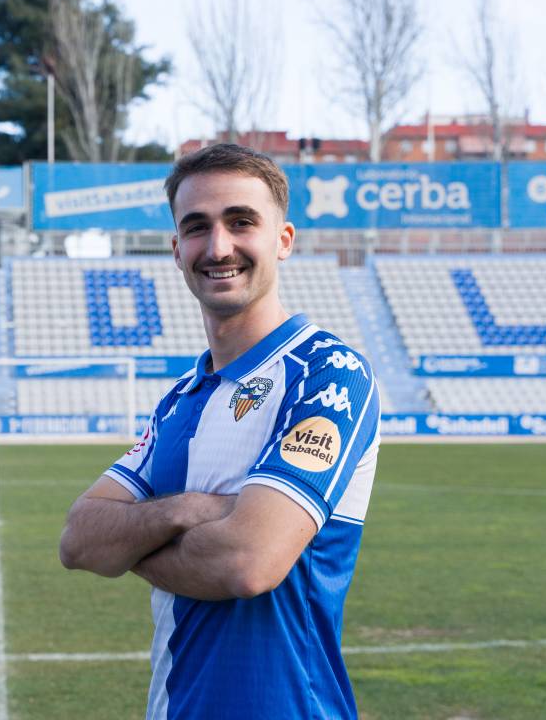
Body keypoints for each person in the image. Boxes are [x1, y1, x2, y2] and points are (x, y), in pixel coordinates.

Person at [59, 144, 380, 719]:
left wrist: (133, 543)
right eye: (197, 227)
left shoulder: (327, 374)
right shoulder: (181, 399)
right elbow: (80, 539)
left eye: (241, 222)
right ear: (176, 250)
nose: (219, 247)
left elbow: (247, 563)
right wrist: (189, 511)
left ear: (282, 239)